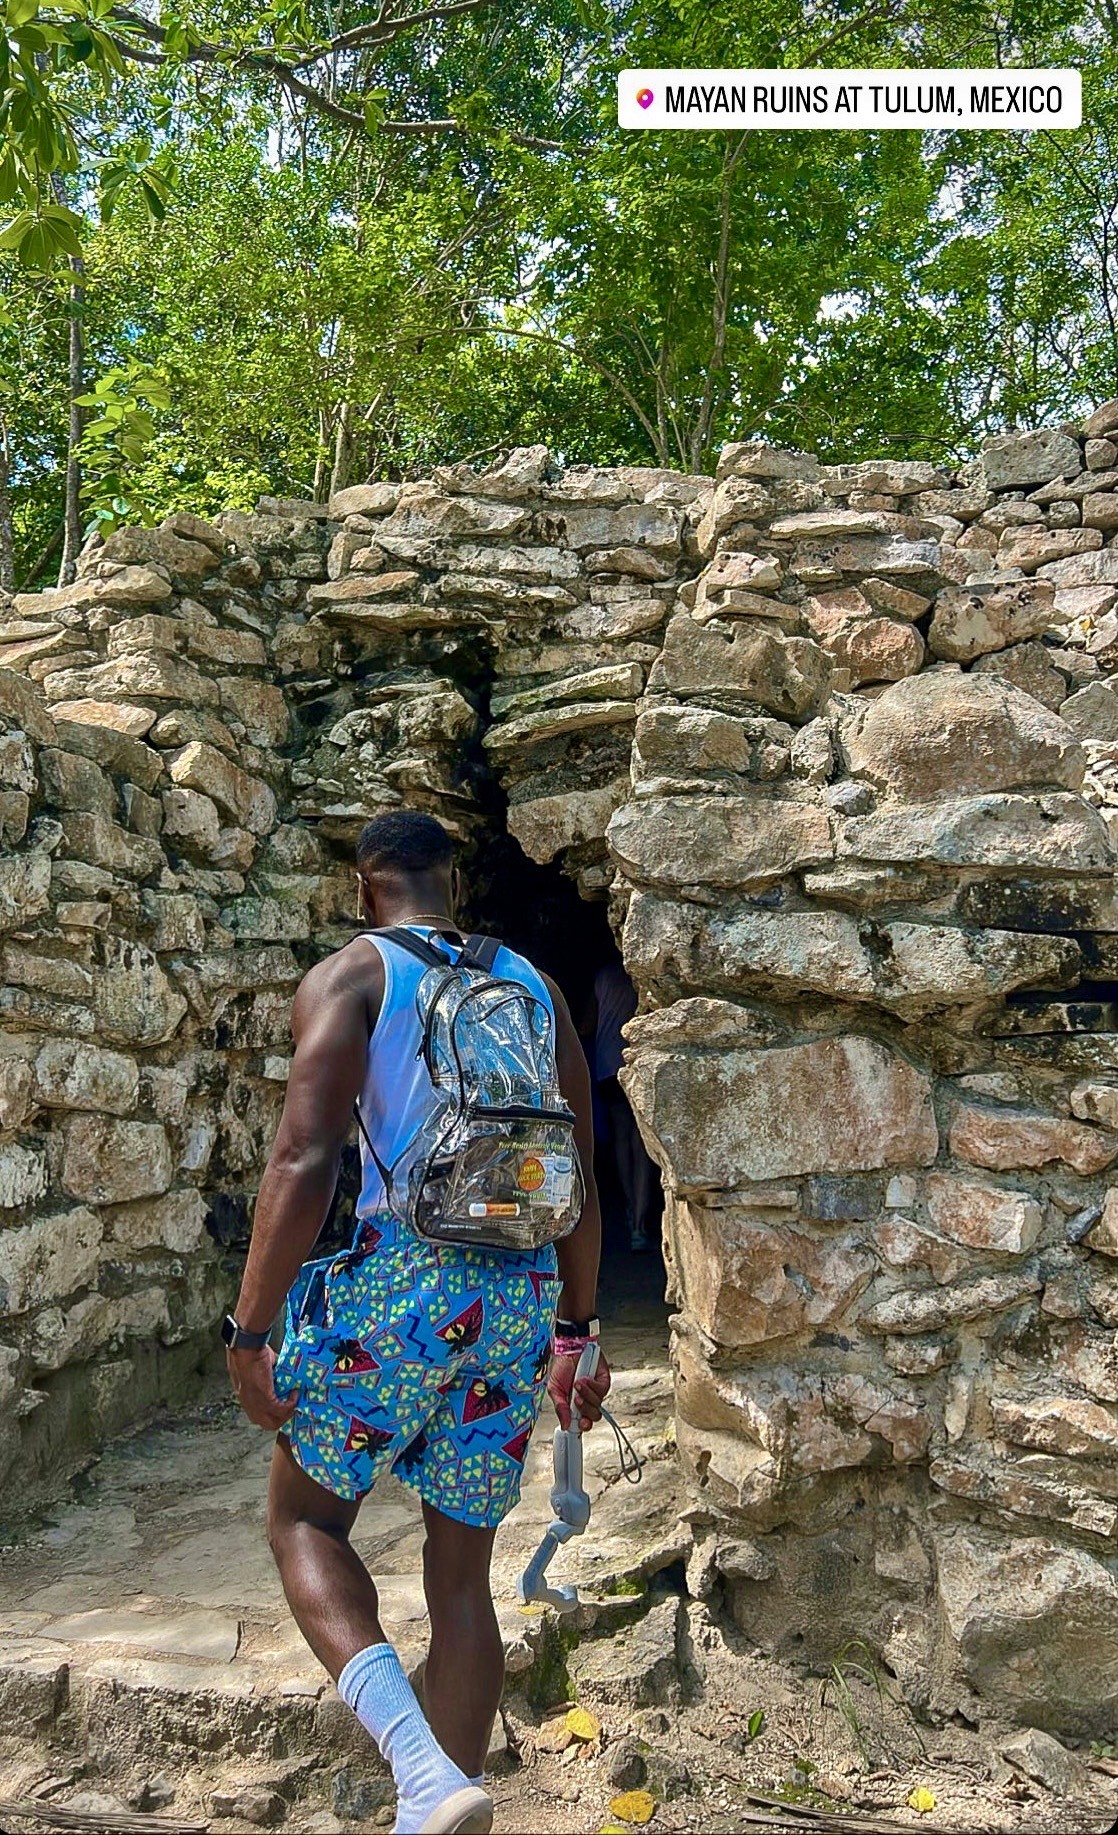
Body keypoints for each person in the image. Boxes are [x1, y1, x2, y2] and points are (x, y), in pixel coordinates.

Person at [223, 811, 610, 1835]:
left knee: (304, 1522)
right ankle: (444, 1796)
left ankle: (420, 1772)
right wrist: (577, 1332)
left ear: (366, 890)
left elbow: (304, 1158)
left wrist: (249, 1329)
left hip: (400, 1289)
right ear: (454, 882)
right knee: (461, 1578)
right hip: (517, 1295)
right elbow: (577, 1173)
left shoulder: (351, 976)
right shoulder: (534, 987)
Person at [592, 959, 657, 1253]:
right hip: (637, 1062)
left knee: (621, 1139)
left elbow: (587, 1023)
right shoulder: (640, 977)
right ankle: (640, 1222)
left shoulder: (602, 977)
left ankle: (630, 1206)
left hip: (607, 1064)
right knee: (640, 1142)